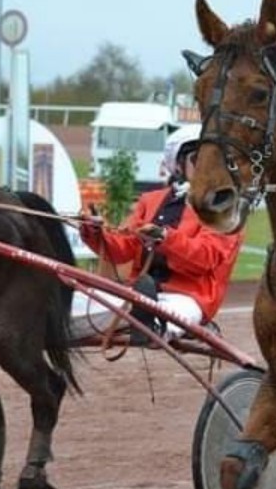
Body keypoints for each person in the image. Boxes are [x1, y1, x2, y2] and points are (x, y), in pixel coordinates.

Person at [76, 123, 243, 344]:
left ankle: (150, 323)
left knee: (160, 316)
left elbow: (205, 258)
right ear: (180, 165)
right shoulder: (151, 201)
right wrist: (94, 231)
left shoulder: (224, 207)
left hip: (187, 297)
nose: (206, 168)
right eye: (198, 159)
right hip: (135, 293)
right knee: (72, 306)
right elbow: (122, 250)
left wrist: (165, 237)